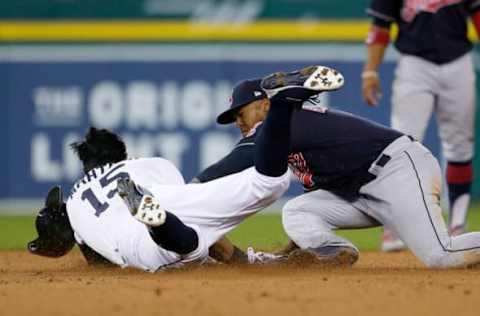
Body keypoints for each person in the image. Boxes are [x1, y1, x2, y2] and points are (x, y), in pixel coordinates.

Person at [27, 66, 333, 272]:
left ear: (87, 167)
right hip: (172, 196)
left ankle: (159, 223)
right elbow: (191, 194)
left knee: (188, 247)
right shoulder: (146, 164)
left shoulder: (77, 201)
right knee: (271, 184)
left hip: (136, 233)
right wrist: (238, 258)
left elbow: (98, 262)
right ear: (120, 155)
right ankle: (283, 102)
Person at [196, 65, 480, 268]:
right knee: (298, 209)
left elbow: (229, 166)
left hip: (398, 171)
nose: (238, 121)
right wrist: (296, 251)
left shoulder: (285, 121)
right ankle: (332, 251)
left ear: (265, 106)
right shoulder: (285, 129)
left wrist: (187, 194)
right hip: (361, 192)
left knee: (442, 255)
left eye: (240, 111)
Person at [362, 0, 479, 252]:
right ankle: (394, 227)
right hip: (414, 64)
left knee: (460, 145)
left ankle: (458, 223)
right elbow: (380, 26)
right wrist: (370, 72)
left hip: (458, 62)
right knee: (402, 144)